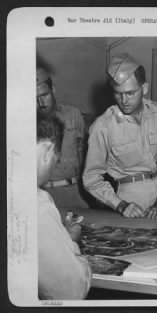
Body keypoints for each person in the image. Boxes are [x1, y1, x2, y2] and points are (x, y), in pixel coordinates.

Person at [83, 53, 157, 219]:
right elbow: (91, 178)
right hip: (129, 202)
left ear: (144, 89)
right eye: (118, 93)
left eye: (130, 93)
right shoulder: (103, 126)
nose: (124, 100)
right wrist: (120, 205)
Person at [37, 112, 91, 299]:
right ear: (47, 152)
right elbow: (71, 292)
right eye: (56, 157)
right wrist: (71, 242)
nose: (56, 163)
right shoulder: (38, 204)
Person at [36, 68, 88, 209]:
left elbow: (85, 151)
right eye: (34, 98)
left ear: (53, 89)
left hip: (76, 192)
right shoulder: (27, 122)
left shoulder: (73, 114)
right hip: (44, 194)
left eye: (44, 95)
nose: (41, 103)